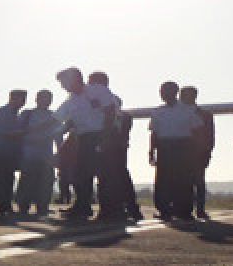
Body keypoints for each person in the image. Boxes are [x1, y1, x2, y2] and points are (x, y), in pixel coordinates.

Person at [87, 71, 142, 221]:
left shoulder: (105, 98)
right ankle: (129, 208)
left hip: (109, 139)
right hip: (115, 141)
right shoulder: (111, 98)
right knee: (118, 175)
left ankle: (113, 209)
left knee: (109, 176)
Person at [53, 67, 107, 219]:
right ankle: (82, 206)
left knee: (105, 174)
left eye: (64, 82)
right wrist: (35, 131)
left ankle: (110, 208)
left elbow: (111, 111)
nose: (62, 86)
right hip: (84, 139)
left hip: (102, 135)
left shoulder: (97, 91)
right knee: (81, 174)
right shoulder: (70, 101)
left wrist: (106, 137)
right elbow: (56, 119)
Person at [149, 81, 203, 220]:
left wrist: (197, 151)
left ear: (174, 92)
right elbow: (154, 133)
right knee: (163, 180)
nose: (163, 94)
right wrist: (151, 151)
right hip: (164, 146)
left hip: (183, 146)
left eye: (166, 91)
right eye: (161, 91)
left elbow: (197, 130)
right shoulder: (157, 112)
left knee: (184, 180)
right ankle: (164, 209)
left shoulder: (187, 110)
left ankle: (184, 210)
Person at [16, 89, 60, 217]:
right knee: (27, 180)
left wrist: (59, 152)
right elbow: (19, 131)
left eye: (48, 98)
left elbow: (58, 135)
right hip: (29, 152)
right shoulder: (27, 114)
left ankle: (42, 207)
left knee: (46, 181)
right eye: (43, 98)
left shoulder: (54, 116)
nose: (46, 101)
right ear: (36, 99)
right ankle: (23, 206)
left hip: (46, 154)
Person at [180, 86, 215, 220]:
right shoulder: (178, 112)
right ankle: (185, 209)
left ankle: (200, 209)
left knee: (199, 181)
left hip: (198, 152)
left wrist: (208, 151)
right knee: (183, 182)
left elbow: (210, 134)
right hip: (181, 152)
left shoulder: (205, 114)